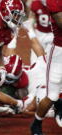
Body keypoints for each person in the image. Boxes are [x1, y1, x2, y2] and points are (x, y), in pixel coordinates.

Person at [29, 0, 62, 134]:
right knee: (52, 96)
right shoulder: (53, 1)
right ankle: (36, 123)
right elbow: (61, 23)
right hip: (59, 52)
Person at [25, 0, 54, 65]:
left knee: (54, 57)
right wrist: (31, 30)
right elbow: (31, 18)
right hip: (40, 33)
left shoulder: (55, 3)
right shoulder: (35, 3)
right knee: (35, 57)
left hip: (53, 34)